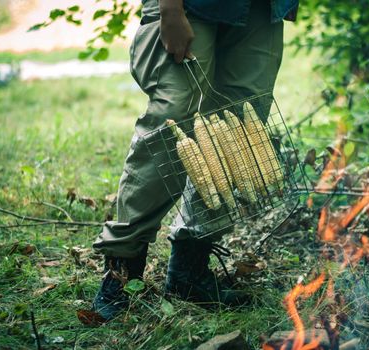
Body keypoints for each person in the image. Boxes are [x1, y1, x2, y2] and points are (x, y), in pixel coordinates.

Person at [90, 0, 299, 321]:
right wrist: (170, 9)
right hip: (190, 4)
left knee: (239, 128)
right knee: (173, 116)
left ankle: (190, 269)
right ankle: (122, 270)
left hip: (262, 7)